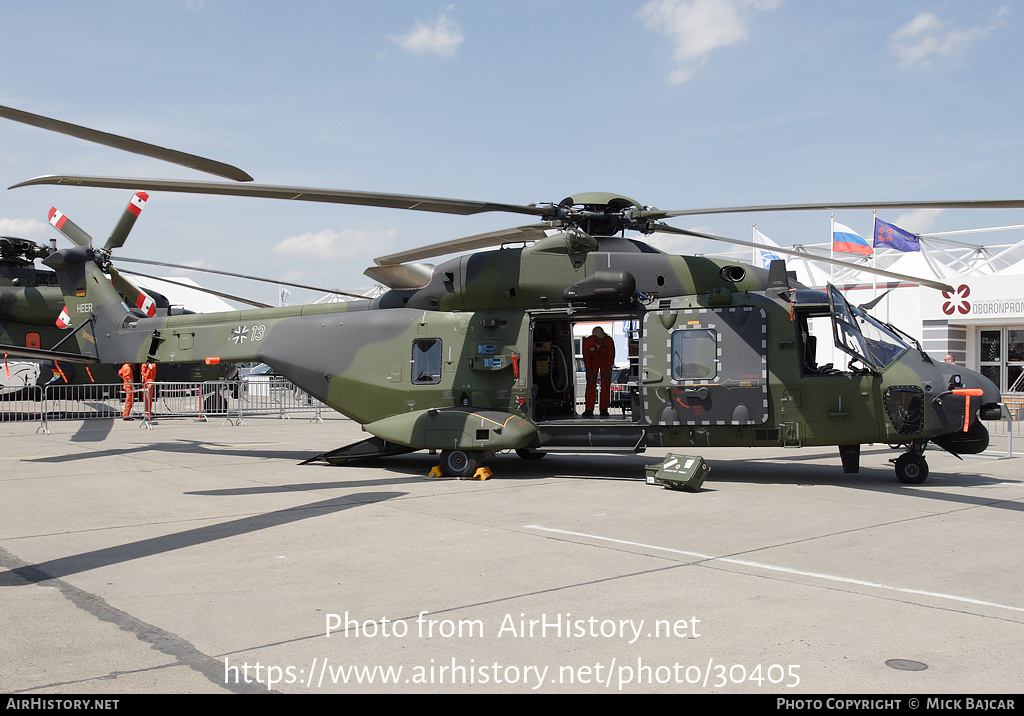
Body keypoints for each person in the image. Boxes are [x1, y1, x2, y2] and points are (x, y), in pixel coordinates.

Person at [582, 326, 615, 417]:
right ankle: (588, 409)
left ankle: (604, 409)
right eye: (600, 338)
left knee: (606, 384)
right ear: (594, 337)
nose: (602, 339)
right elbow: (586, 358)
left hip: (605, 363)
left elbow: (611, 355)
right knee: (590, 384)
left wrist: (608, 370)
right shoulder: (587, 342)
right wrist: (590, 372)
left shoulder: (609, 341)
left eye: (603, 337)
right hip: (592, 364)